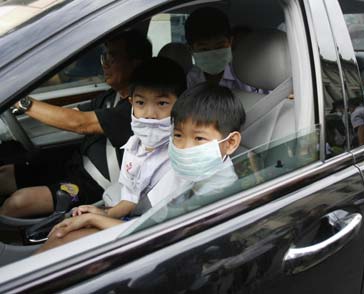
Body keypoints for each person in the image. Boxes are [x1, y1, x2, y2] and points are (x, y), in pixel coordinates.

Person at [36, 83, 246, 253]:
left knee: (63, 240)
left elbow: (156, 235)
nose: (184, 147)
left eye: (199, 138)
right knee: (61, 235)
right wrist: (104, 213)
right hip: (147, 230)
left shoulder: (218, 190)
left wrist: (95, 218)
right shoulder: (190, 169)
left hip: (167, 251)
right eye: (178, 136)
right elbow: (150, 211)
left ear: (230, 143)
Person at [0, 30, 152, 217]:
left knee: (18, 202)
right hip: (75, 166)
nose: (105, 64)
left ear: (135, 64)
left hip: (92, 187)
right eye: (104, 56)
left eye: (112, 57)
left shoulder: (138, 109)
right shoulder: (110, 97)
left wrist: (21, 102)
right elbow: (70, 115)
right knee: (4, 175)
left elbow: (80, 123)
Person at [73, 57, 186, 219]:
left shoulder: (183, 152)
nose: (149, 115)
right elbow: (130, 199)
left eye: (162, 103)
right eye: (140, 103)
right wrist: (103, 214)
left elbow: (157, 218)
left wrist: (100, 217)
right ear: (131, 103)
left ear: (181, 104)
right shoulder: (134, 146)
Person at [184, 7, 260, 93]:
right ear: (190, 49)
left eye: (219, 47)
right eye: (204, 49)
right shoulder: (193, 77)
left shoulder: (246, 76)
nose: (213, 54)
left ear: (231, 42)